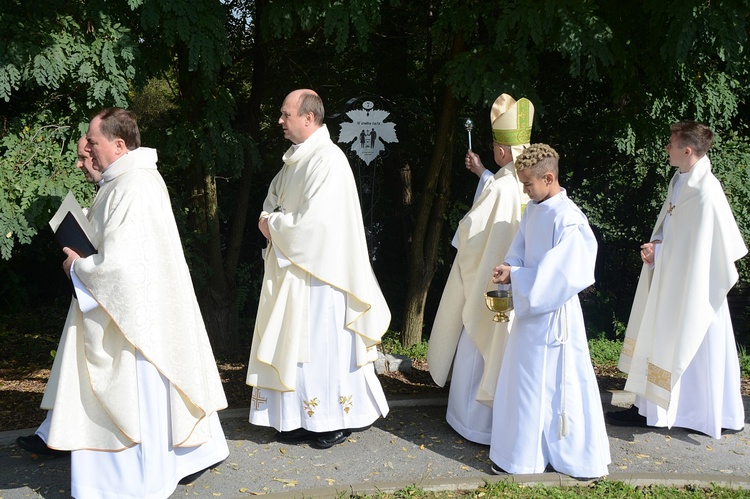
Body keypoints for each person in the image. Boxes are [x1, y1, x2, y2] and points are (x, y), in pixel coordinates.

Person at [32, 108, 229, 497]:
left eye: (92, 141)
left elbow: (122, 269)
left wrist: (78, 266)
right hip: (128, 315)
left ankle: (132, 479)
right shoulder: (119, 183)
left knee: (138, 400)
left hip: (136, 324)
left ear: (119, 145)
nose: (86, 148)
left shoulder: (135, 186)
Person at [246, 89, 391, 449]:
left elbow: (316, 225)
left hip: (325, 278)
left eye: (285, 114)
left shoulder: (329, 160)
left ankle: (330, 421)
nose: (280, 120)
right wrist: (271, 219)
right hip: (294, 273)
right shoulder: (294, 160)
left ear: (308, 118)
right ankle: (295, 418)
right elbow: (271, 202)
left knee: (321, 349)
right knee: (295, 348)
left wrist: (272, 224)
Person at [606, 120, 747, 439]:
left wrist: (663, 253)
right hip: (672, 280)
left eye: (671, 143)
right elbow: (673, 230)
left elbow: (701, 251)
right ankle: (649, 410)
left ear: (687, 150)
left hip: (698, 289)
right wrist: (656, 246)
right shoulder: (680, 180)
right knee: (663, 340)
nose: (666, 148)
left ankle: (708, 414)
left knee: (691, 346)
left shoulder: (705, 190)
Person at [489, 143, 610, 479]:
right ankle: (522, 457)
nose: (525, 192)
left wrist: (520, 277)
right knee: (525, 383)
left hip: (557, 317)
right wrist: (509, 266)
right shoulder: (534, 210)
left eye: (528, 185)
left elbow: (565, 273)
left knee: (562, 385)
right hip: (531, 316)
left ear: (549, 177)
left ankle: (575, 459)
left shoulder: (569, 218)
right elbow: (521, 249)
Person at [427, 94, 533, 444]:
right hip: (521, 288)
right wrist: (483, 172)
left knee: (478, 344)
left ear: (502, 150)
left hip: (490, 287)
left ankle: (473, 424)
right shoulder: (530, 183)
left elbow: (472, 234)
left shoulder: (503, 186)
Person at [15, 135, 103, 459]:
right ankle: (52, 433)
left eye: (83, 157)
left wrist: (81, 264)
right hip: (87, 293)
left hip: (103, 297)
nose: (79, 164)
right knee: (71, 366)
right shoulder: (104, 191)